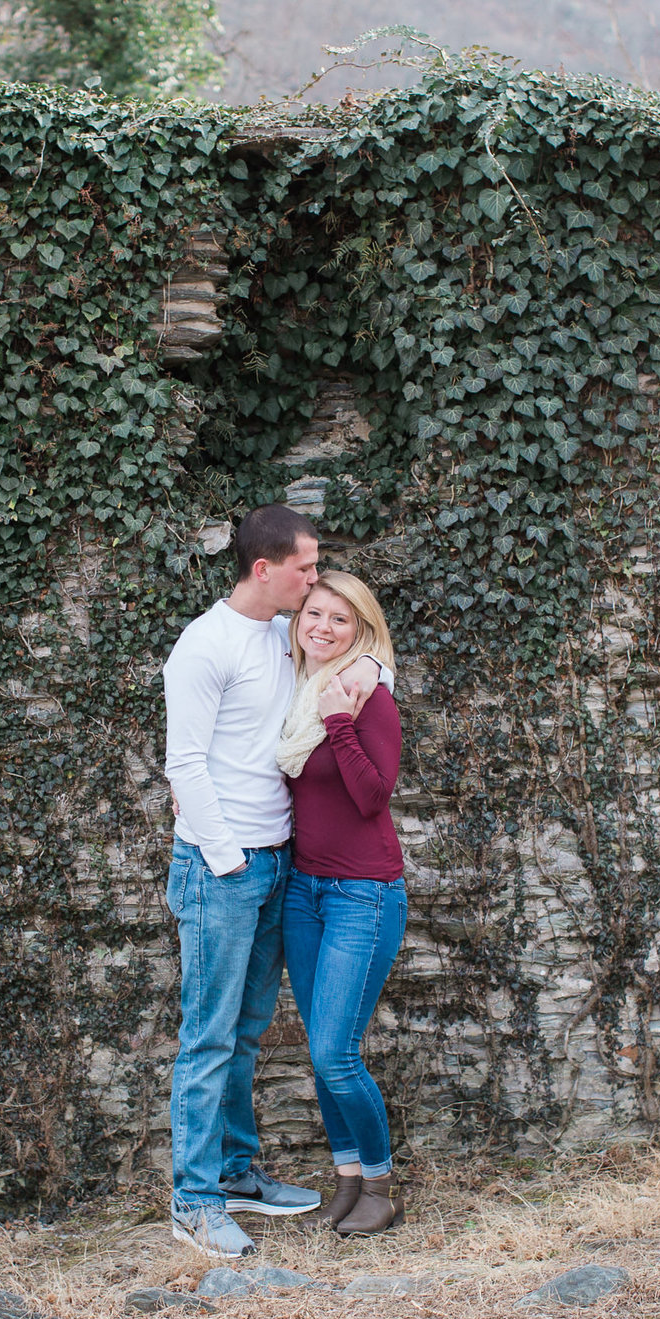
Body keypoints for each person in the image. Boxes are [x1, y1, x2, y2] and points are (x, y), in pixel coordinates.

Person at [162, 503, 329, 1257]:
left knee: (246, 1034)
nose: (316, 579)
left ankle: (235, 1175)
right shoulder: (203, 646)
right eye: (306, 567)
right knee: (208, 1037)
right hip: (221, 868)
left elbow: (354, 654)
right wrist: (229, 859)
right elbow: (184, 766)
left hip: (274, 860)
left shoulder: (278, 632)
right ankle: (193, 1203)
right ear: (264, 569)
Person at [278, 569, 407, 1235]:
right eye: (314, 614)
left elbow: (371, 795)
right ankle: (348, 1179)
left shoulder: (364, 695)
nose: (323, 627)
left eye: (340, 619)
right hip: (304, 891)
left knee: (335, 1052)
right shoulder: (296, 693)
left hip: (365, 892)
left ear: (362, 630)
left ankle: (381, 1182)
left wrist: (339, 722)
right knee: (322, 1050)